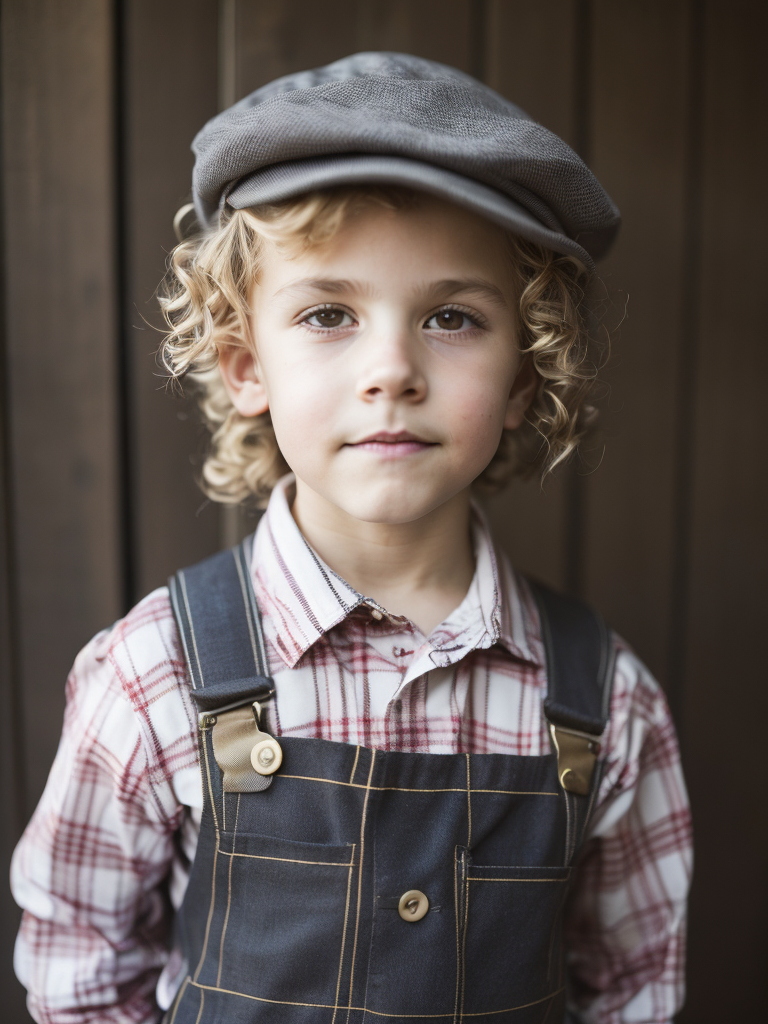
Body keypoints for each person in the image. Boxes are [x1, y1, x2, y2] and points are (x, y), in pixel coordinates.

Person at [11, 52, 691, 1024]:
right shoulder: (151, 673)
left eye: (452, 317)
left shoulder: (606, 706)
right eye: (329, 314)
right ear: (247, 364)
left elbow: (634, 985)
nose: (391, 369)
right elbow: (80, 967)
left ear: (523, 381)